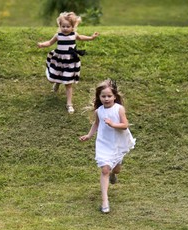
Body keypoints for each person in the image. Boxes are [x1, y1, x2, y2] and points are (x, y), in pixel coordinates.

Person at [79, 79, 135, 213]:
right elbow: (96, 124)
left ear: (115, 96)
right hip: (104, 142)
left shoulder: (119, 109)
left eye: (109, 96)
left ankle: (114, 175)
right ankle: (105, 201)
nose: (106, 99)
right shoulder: (99, 111)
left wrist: (113, 124)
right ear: (99, 97)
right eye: (103, 96)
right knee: (105, 169)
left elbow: (125, 125)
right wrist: (89, 135)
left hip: (117, 142)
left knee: (116, 169)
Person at [37, 11, 99, 114]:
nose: (65, 28)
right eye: (63, 26)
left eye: (68, 26)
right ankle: (57, 83)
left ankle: (69, 104)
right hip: (59, 60)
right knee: (55, 77)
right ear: (60, 26)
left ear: (72, 26)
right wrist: (42, 45)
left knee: (68, 83)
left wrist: (91, 38)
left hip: (70, 61)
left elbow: (82, 37)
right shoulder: (58, 35)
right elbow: (49, 42)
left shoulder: (74, 34)